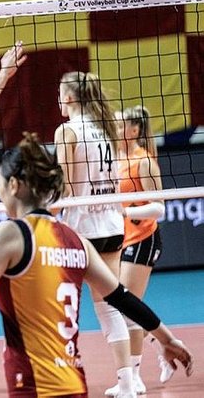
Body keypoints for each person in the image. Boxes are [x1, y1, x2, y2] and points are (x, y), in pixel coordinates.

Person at [0, 133, 194, 398]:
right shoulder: (76, 239)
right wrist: (166, 338)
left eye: (0, 185)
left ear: (14, 186)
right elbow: (121, 297)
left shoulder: (11, 234)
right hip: (74, 383)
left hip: (34, 385)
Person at [54, 71, 133, 395]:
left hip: (80, 229)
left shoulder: (67, 130)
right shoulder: (107, 126)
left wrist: (41, 215)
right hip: (111, 225)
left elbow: (63, 186)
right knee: (109, 307)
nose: (58, 100)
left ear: (70, 97)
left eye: (60, 93)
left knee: (60, 307)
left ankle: (61, 379)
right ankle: (128, 383)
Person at [104, 106, 169, 396]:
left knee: (124, 307)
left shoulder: (143, 162)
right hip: (122, 239)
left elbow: (160, 207)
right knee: (125, 306)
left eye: (120, 126)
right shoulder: (113, 159)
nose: (115, 130)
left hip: (144, 239)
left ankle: (135, 377)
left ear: (134, 130)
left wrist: (126, 212)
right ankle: (163, 345)